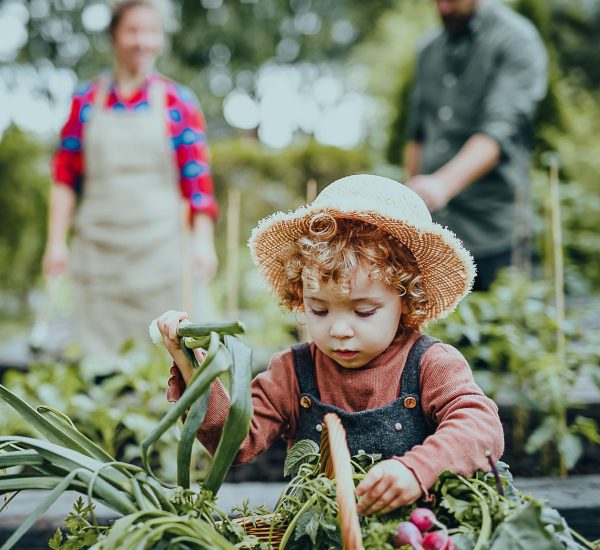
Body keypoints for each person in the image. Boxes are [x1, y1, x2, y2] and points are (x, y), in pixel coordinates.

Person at [158, 174, 504, 515]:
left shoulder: (431, 364)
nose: (339, 329)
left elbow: (480, 426)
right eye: (319, 309)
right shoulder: (292, 372)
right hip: (316, 534)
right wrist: (194, 369)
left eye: (364, 311)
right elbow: (234, 443)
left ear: (406, 301)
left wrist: (419, 469)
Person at [42, 0, 218, 366]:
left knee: (164, 362)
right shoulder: (85, 101)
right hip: (98, 254)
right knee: (99, 362)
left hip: (161, 255)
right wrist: (56, 243)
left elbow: (197, 184)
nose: (143, 41)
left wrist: (203, 243)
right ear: (113, 36)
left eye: (151, 32)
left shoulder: (177, 101)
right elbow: (64, 177)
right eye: (133, 31)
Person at [405, 0, 547, 291]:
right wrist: (411, 205)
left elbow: (498, 131)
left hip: (495, 232)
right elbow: (418, 134)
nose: (442, 7)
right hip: (437, 235)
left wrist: (441, 186)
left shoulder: (515, 39)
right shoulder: (427, 49)